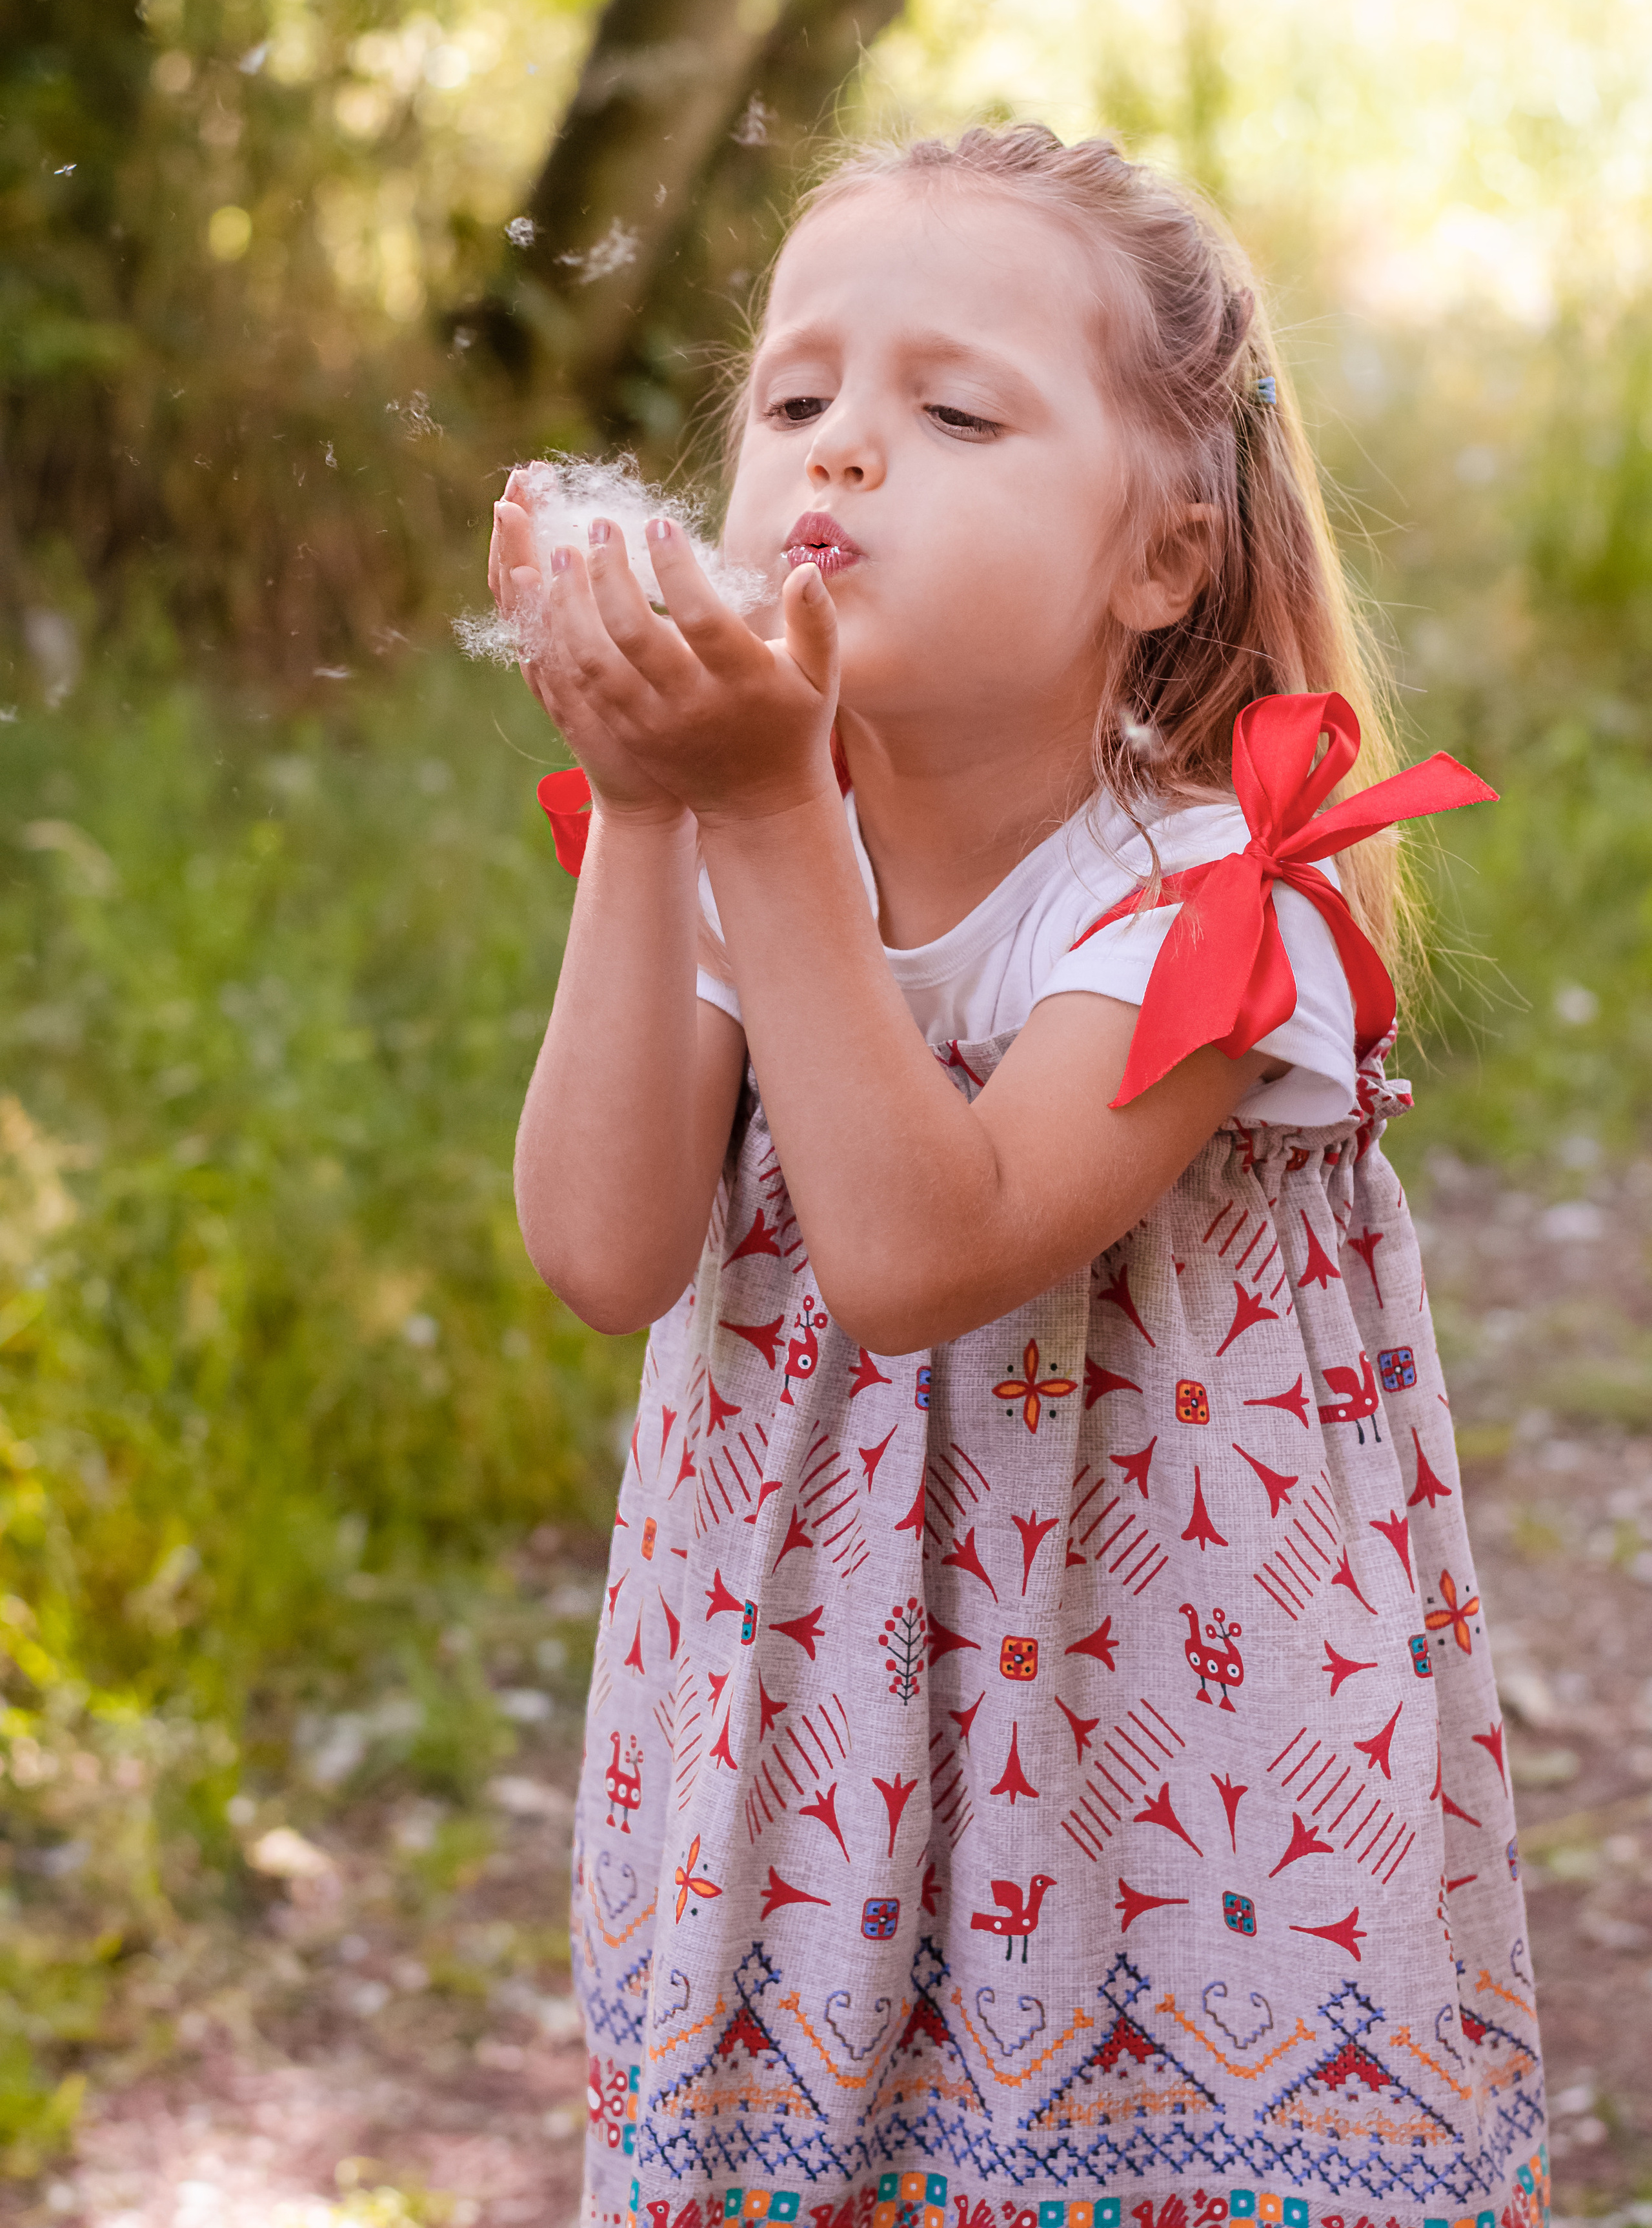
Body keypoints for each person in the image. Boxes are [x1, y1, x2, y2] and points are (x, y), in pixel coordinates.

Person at [487, 127, 1547, 2228]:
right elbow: (606, 1249)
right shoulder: (733, 834)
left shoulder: (1202, 906)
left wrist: (761, 808)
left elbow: (921, 1252)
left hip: (1167, 1779)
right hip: (808, 1747)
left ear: (1161, 552)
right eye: (794, 401)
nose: (839, 456)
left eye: (950, 411)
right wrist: (642, 814)